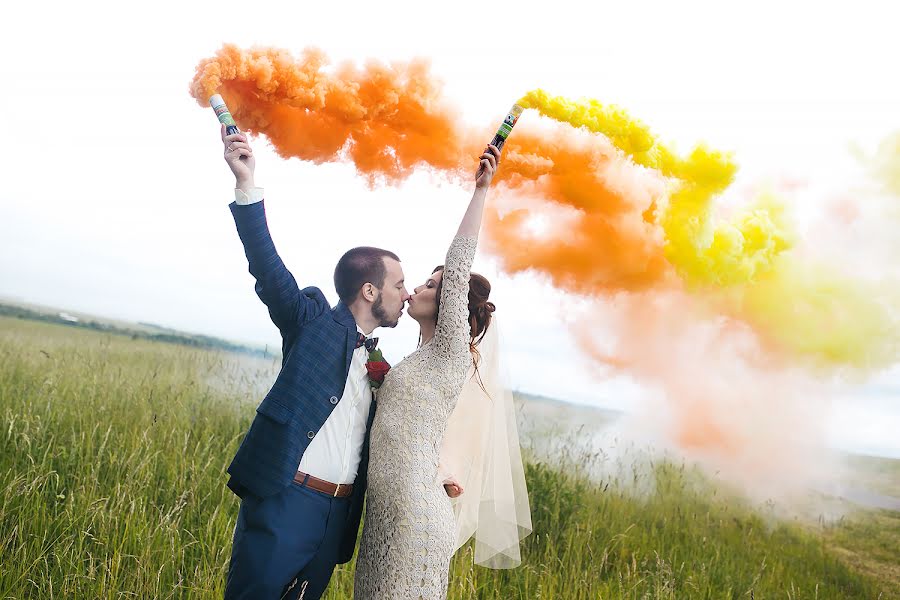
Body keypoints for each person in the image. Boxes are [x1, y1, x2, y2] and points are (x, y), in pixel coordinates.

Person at [218, 124, 409, 600]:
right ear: (369, 291)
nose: (405, 295)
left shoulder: (381, 362)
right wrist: (247, 185)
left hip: (337, 516)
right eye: (399, 285)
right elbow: (268, 268)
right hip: (288, 499)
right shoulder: (312, 321)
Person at [354, 143, 529, 599]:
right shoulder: (415, 362)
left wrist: (481, 190)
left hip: (413, 519)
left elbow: (458, 267)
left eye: (431, 285)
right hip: (383, 518)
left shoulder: (450, 350)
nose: (416, 289)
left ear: (451, 304)